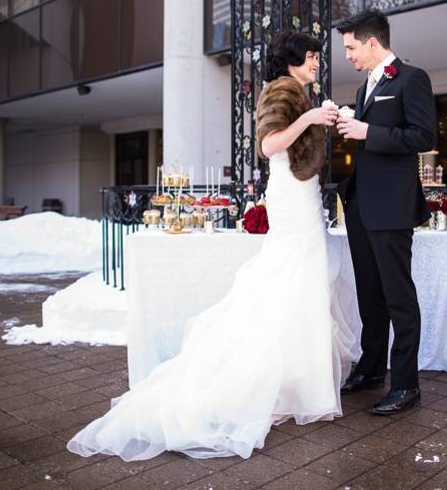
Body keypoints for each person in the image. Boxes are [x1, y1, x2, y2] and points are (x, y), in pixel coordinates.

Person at [66, 32, 348, 461]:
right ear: (293, 60)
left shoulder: (299, 91)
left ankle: (298, 382)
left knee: (304, 283)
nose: (316, 63)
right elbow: (268, 145)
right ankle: (282, 383)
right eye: (311, 56)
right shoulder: (281, 90)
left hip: (302, 194)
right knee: (291, 279)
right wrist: (310, 119)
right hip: (291, 198)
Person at [335, 10, 436, 415]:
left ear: (372, 42)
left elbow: (423, 136)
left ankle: (406, 385)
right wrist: (351, 122)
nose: (348, 55)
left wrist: (368, 132)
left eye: (351, 47)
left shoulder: (412, 78)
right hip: (361, 204)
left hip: (392, 207)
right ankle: (372, 368)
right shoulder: (365, 87)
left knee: (398, 297)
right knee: (369, 293)